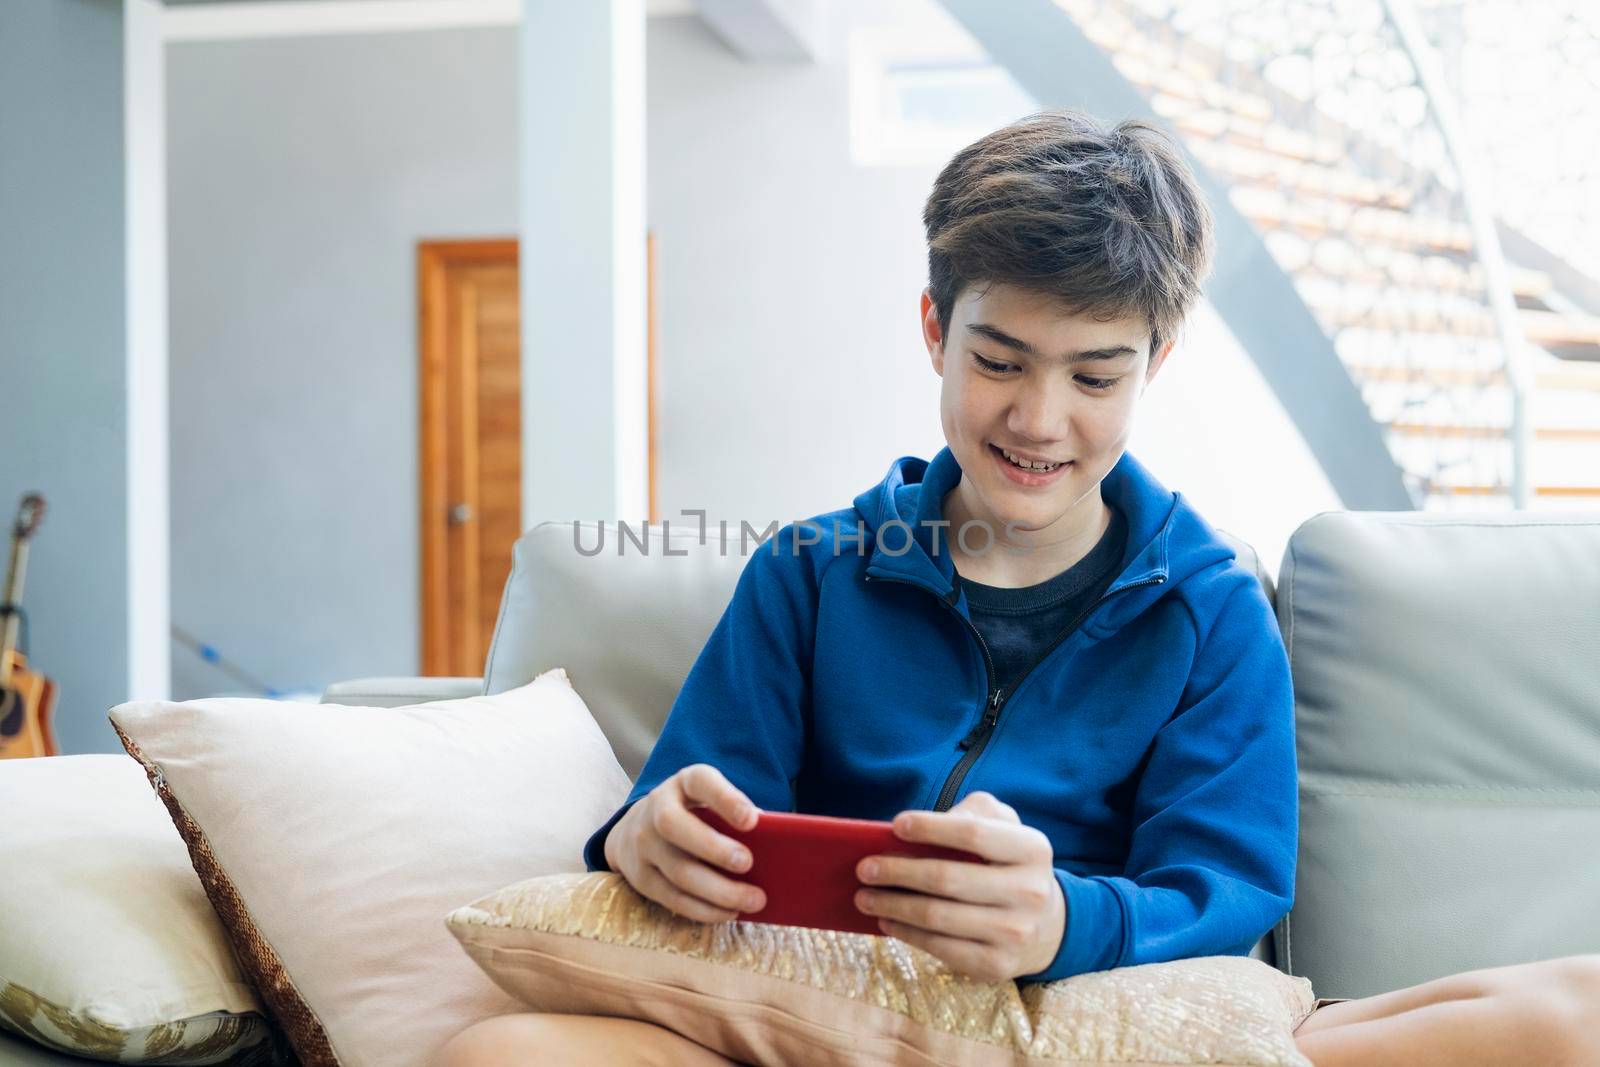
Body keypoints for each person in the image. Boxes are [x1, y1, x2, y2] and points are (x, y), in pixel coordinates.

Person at [439, 109, 1599, 1067]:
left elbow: (1225, 883)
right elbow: (691, 809)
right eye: (998, 361)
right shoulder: (806, 572)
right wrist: (645, 840)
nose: (1038, 420)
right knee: (498, 1055)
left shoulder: (1208, 604)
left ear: (1155, 364)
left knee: (1572, 1012)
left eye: (1095, 374)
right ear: (935, 329)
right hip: (821, 1018)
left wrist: (1062, 919)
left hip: (1093, 1015)